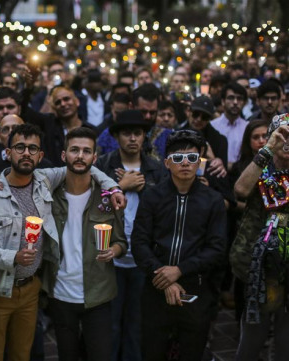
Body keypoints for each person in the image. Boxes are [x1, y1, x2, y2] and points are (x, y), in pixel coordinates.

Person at [0, 123, 121, 361]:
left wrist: (112, 187)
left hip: (31, 288)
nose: (27, 153)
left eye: (33, 148)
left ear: (41, 156)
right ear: (8, 153)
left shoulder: (45, 180)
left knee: (22, 354)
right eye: (20, 147)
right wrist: (12, 257)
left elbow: (86, 166)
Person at [132, 130, 227, 361]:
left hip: (196, 288)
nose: (185, 163)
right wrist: (164, 278)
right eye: (177, 158)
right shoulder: (152, 197)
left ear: (200, 162)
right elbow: (139, 242)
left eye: (192, 158)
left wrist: (179, 270)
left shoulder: (212, 200)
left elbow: (217, 249)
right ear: (167, 163)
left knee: (192, 352)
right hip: (156, 289)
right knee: (152, 351)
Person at [42, 127, 128, 361]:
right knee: (67, 356)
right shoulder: (47, 193)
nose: (80, 156)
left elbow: (122, 242)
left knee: (100, 355)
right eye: (75, 150)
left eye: (86, 151)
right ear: (64, 155)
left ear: (95, 158)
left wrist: (114, 250)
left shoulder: (107, 196)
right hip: (60, 292)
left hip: (97, 293)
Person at [96, 110, 167, 361]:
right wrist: (120, 187)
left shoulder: (156, 169)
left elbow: (164, 209)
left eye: (138, 133)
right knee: (111, 323)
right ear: (116, 136)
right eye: (127, 133)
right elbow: (92, 208)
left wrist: (144, 187)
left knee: (136, 324)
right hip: (111, 257)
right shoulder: (103, 165)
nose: (133, 138)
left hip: (142, 258)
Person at [230, 113, 289, 361]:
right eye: (283, 136)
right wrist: (267, 149)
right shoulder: (262, 165)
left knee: (286, 341)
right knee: (253, 336)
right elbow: (241, 190)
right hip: (259, 266)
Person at [210, 83, 249, 170]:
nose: (235, 102)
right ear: (223, 101)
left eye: (239, 99)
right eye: (231, 98)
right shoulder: (212, 126)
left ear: (244, 103)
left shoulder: (248, 127)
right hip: (216, 173)